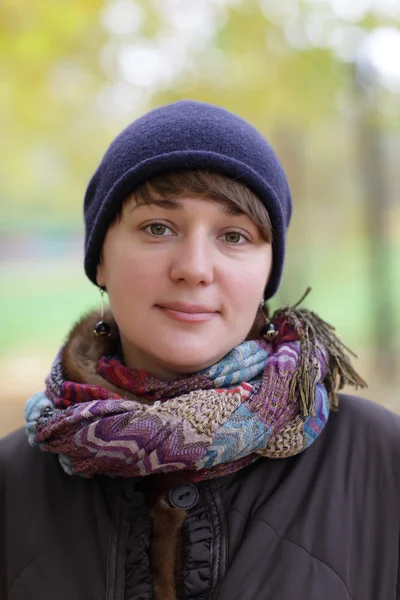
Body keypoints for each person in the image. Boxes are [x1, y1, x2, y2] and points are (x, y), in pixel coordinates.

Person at [1, 100, 399, 600]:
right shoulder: (12, 482)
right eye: (157, 228)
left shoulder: (379, 460)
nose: (194, 267)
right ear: (100, 258)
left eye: (234, 236)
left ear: (267, 274)